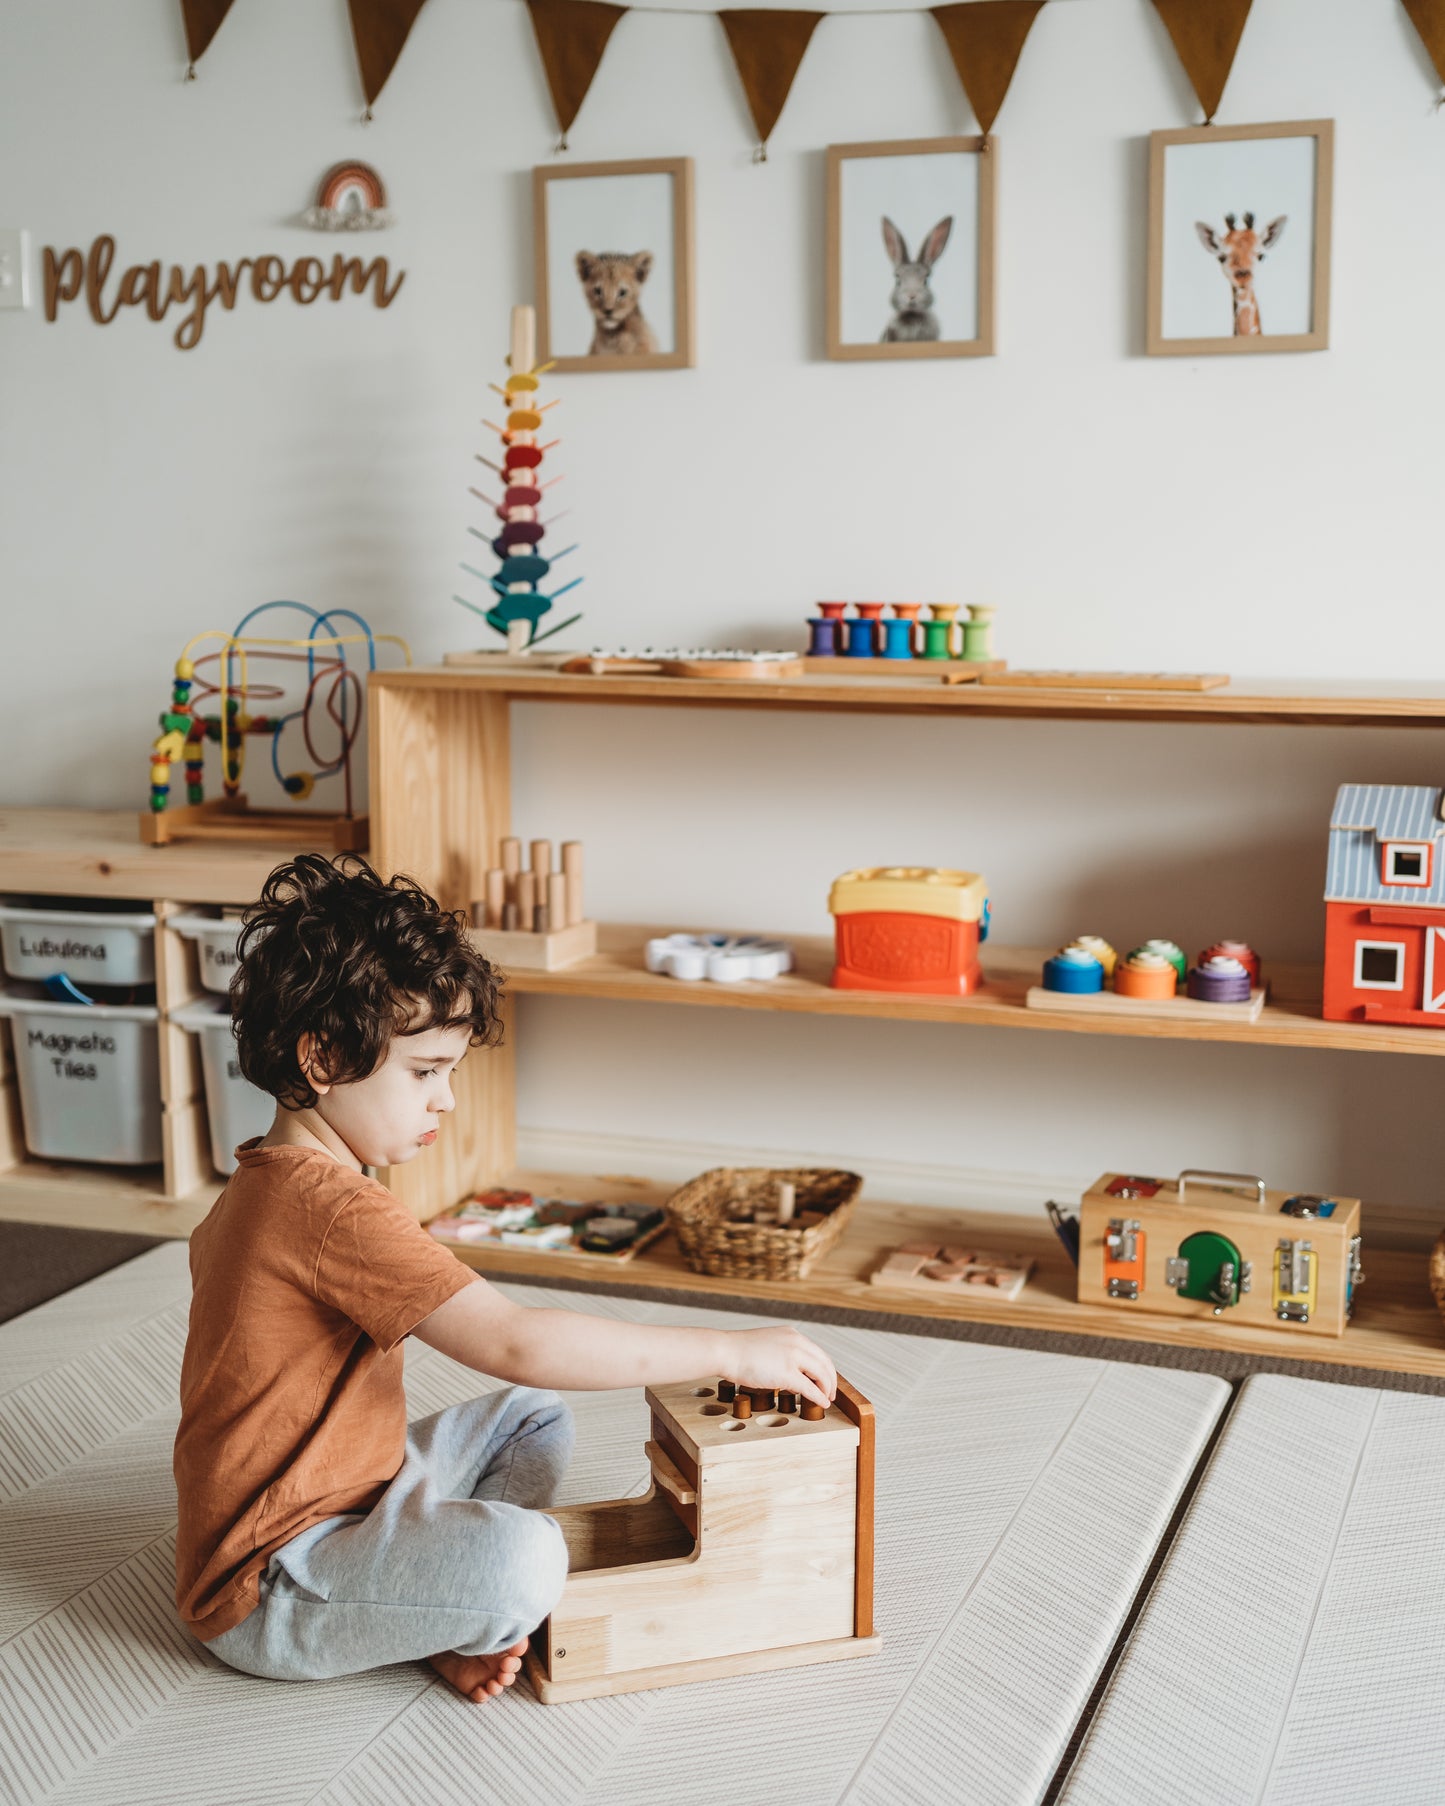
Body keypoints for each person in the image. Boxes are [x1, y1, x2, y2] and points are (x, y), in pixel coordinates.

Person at [173, 854, 836, 1705]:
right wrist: (726, 1348)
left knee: (531, 1422)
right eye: (424, 1073)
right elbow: (514, 1340)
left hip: (354, 1492)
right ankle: (440, 1610)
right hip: (270, 1584)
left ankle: (427, 1608)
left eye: (450, 1071)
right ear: (323, 1057)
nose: (446, 1100)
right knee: (530, 1560)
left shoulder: (275, 1177)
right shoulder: (328, 1209)